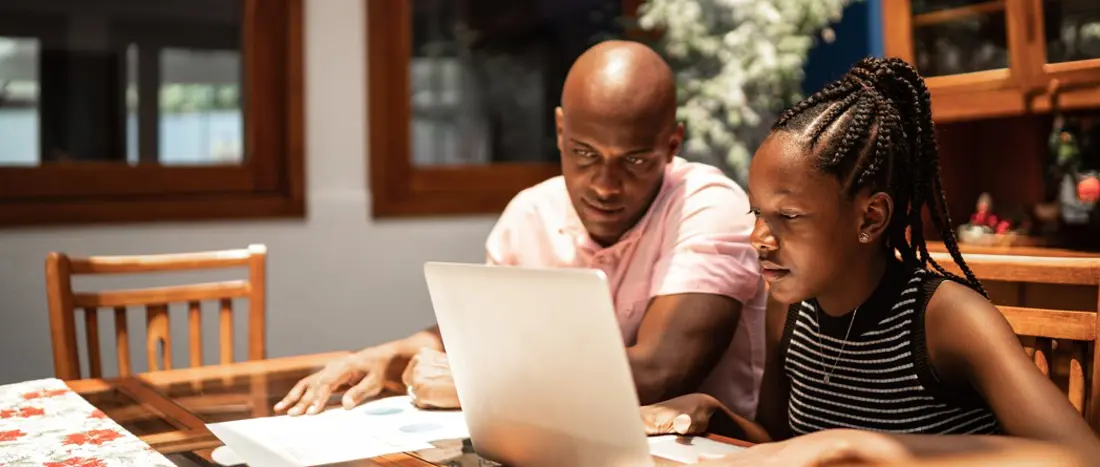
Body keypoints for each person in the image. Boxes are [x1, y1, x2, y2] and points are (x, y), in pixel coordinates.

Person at [641, 57, 1100, 464]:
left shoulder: (945, 320)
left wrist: (861, 446)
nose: (759, 237)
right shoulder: (789, 309)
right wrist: (712, 411)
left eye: (790, 217)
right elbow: (782, 444)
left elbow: (1078, 455)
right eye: (757, 212)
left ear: (871, 217)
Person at [275, 40, 766, 420]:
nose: (605, 185)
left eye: (634, 160)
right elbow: (484, 336)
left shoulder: (709, 206)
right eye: (583, 153)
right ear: (559, 131)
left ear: (672, 142)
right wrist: (387, 354)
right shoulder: (531, 212)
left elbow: (660, 373)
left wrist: (473, 384)